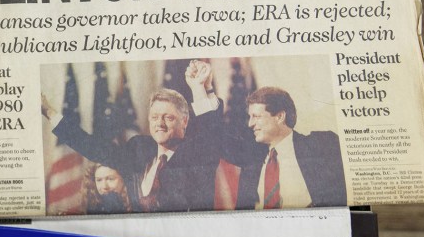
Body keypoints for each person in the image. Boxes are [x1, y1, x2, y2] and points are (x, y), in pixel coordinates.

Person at [41, 60, 222, 212]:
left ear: (184, 121)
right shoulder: (139, 151)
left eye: (168, 117)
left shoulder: (198, 155)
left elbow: (210, 133)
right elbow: (93, 148)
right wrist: (50, 113)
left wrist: (199, 89)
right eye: (154, 117)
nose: (160, 123)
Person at [221, 86, 347, 209]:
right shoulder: (252, 161)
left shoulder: (321, 145)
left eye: (257, 116)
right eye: (250, 117)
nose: (250, 124)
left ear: (280, 117)